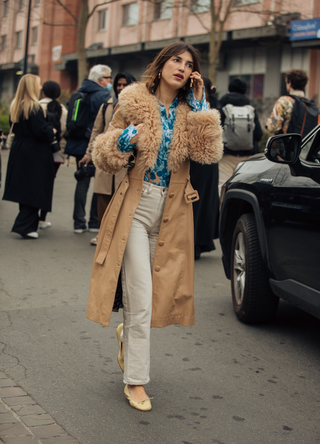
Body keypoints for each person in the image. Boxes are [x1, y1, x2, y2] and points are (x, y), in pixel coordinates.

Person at [86, 42, 223, 411]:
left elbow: (208, 154)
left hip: (173, 211)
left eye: (189, 64)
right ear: (162, 64)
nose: (181, 67)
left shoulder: (187, 110)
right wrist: (124, 140)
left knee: (149, 298)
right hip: (136, 204)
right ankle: (135, 381)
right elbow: (102, 152)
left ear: (193, 74)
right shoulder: (132, 100)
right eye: (176, 60)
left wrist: (200, 108)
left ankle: (128, 338)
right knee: (142, 298)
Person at [78, 72, 137, 246]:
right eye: (118, 84)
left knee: (123, 199)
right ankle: (102, 233)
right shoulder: (107, 105)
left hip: (127, 162)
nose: (120, 88)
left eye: (125, 84)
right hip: (105, 159)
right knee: (103, 198)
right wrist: (89, 154)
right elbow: (96, 132)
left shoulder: (138, 105)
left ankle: (120, 236)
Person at [3, 74, 56, 239]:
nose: (40, 87)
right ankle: (24, 226)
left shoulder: (17, 105)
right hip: (35, 152)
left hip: (19, 150)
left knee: (24, 188)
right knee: (34, 187)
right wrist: (51, 130)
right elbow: (41, 131)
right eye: (38, 84)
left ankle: (27, 224)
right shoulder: (34, 107)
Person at [64, 64, 112, 234]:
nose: (110, 81)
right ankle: (93, 221)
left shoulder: (79, 93)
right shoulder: (103, 96)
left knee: (82, 183)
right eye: (108, 77)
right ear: (101, 80)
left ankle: (78, 223)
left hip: (78, 144)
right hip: (95, 144)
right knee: (98, 184)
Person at [190, 77, 221, 260]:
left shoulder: (206, 108)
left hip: (201, 160)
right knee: (204, 201)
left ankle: (195, 242)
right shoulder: (215, 107)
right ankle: (199, 240)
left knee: (196, 201)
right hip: (209, 162)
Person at [218, 78, 263, 194]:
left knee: (222, 187)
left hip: (226, 157)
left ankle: (221, 211)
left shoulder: (222, 107)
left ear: (229, 90)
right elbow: (259, 134)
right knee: (243, 189)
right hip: (247, 158)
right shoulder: (250, 109)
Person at [39, 80, 68, 229]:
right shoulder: (61, 109)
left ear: (43, 92)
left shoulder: (37, 106)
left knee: (34, 182)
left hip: (37, 151)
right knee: (48, 184)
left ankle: (31, 215)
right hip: (56, 153)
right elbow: (64, 129)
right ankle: (42, 219)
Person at [266, 69, 318, 137]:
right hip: (306, 146)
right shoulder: (311, 105)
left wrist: (268, 124)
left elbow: (273, 127)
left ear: (289, 82)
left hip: (289, 146)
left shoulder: (284, 101)